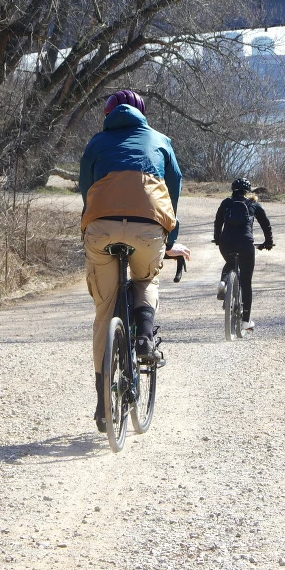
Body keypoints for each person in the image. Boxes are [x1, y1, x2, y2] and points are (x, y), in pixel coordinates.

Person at [78, 89, 186, 432]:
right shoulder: (160, 139)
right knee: (146, 280)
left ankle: (101, 405)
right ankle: (143, 335)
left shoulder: (97, 142)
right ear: (142, 113)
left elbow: (85, 185)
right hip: (148, 228)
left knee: (104, 310)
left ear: (108, 114)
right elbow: (175, 183)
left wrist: (98, 216)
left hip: (101, 226)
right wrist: (170, 232)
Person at [213, 178, 273, 330]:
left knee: (230, 263)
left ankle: (224, 282)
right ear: (248, 191)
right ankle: (245, 321)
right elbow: (265, 223)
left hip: (227, 242)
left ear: (233, 189)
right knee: (246, 281)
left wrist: (218, 239)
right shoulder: (253, 204)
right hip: (246, 243)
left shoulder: (226, 203)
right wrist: (268, 242)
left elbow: (218, 222)